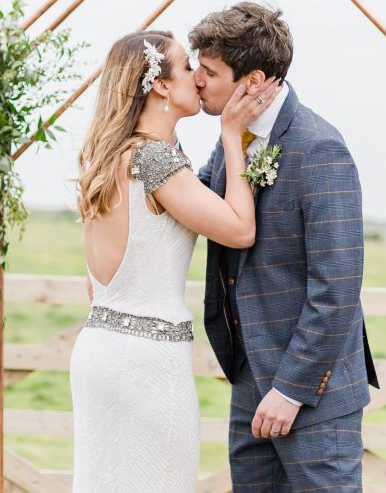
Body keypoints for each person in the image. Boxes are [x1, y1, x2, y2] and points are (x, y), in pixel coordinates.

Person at [69, 29, 279, 492]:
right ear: (160, 85)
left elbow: (96, 283)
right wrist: (232, 133)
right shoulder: (155, 160)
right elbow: (241, 229)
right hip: (149, 362)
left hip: (97, 351)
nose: (198, 78)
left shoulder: (112, 157)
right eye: (187, 67)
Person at [191, 2, 379, 491]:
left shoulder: (319, 148)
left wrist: (291, 391)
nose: (196, 80)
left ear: (252, 81)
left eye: (209, 71)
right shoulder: (235, 136)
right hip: (249, 381)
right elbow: (203, 207)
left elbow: (336, 288)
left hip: (312, 396)